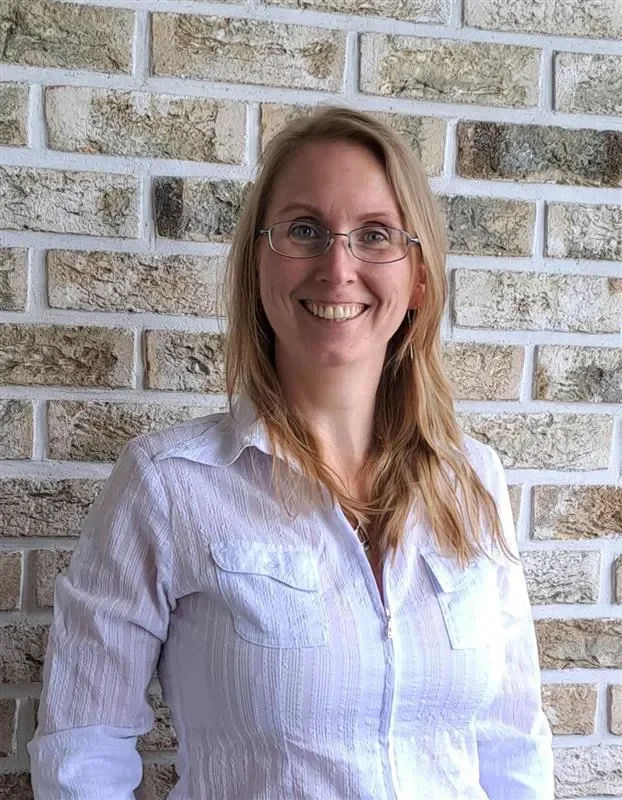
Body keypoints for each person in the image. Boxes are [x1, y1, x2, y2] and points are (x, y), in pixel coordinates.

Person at [28, 106, 554, 799]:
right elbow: (81, 752)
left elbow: (513, 744)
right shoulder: (169, 486)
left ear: (420, 278)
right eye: (305, 230)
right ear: (256, 265)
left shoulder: (473, 482)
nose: (338, 267)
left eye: (375, 235)